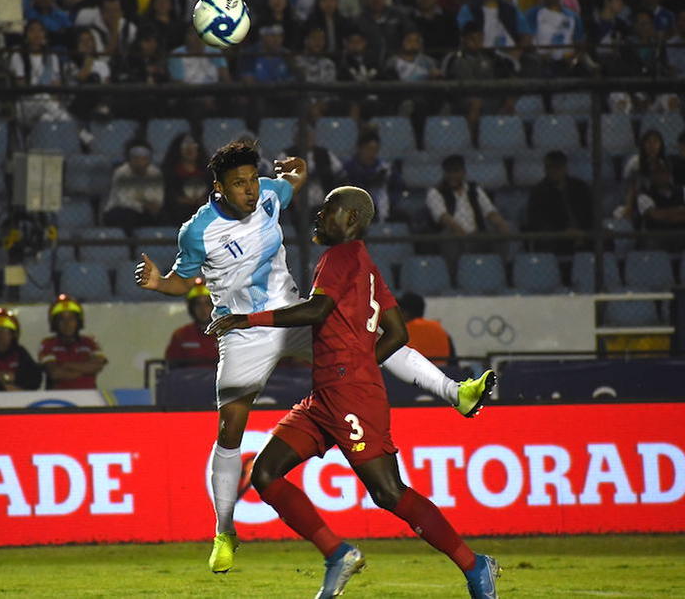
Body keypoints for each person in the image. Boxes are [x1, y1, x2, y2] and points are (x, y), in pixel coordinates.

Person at [133, 141, 495, 574]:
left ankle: (456, 392)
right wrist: (159, 282)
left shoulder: (270, 193)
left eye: (252, 180)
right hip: (242, 334)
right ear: (219, 188)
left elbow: (293, 180)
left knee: (362, 340)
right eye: (238, 184)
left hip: (290, 313)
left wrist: (298, 169)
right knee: (230, 431)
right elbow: (182, 279)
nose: (249, 190)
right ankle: (224, 530)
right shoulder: (197, 231)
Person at [204, 186, 499, 599]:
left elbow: (316, 310)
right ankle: (337, 553)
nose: (319, 215)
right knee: (265, 472)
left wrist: (247, 320)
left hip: (350, 396)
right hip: (326, 396)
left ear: (352, 219)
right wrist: (360, 360)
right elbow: (397, 332)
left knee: (389, 492)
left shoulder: (340, 257)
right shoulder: (366, 264)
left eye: (329, 210)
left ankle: (474, 564)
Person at [426, 154, 510, 271]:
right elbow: (443, 217)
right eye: (449, 172)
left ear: (463, 172)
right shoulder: (435, 192)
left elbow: (489, 211)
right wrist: (461, 232)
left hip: (477, 233)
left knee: (503, 230)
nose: (452, 175)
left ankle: (502, 269)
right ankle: (455, 275)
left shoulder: (474, 189)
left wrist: (501, 223)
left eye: (456, 171)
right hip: (454, 235)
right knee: (449, 237)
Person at [526, 150, 594, 254]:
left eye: (557, 167)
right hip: (557, 237)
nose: (554, 171)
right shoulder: (539, 192)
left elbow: (591, 213)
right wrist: (562, 232)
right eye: (550, 168)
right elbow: (537, 221)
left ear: (565, 168)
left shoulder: (580, 187)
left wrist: (582, 231)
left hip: (583, 233)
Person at [39, 294, 107, 390]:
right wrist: (85, 369)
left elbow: (97, 366)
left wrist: (65, 365)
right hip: (59, 396)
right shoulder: (48, 344)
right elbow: (55, 373)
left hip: (89, 396)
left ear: (78, 321)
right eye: (61, 319)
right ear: (54, 323)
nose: (67, 323)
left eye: (71, 318)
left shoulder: (90, 342)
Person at [102, 138, 165, 230]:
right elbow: (124, 201)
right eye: (136, 158)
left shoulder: (155, 174)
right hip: (121, 211)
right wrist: (144, 204)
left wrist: (151, 205)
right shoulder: (121, 173)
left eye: (143, 159)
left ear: (149, 160)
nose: (140, 162)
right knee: (127, 216)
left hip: (146, 212)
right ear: (129, 159)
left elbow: (158, 199)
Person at [164, 277, 219, 368]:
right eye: (198, 304)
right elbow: (171, 367)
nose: (203, 309)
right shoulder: (181, 335)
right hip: (188, 377)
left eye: (207, 304)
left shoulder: (224, 334)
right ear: (191, 308)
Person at [160, 132, 210, 226]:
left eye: (193, 147)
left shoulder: (208, 172)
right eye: (186, 148)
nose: (190, 151)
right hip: (177, 214)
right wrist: (181, 200)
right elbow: (168, 195)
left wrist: (204, 200)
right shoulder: (169, 172)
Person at [398, 291, 457, 366]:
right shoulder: (439, 329)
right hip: (442, 371)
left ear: (405, 313)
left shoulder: (403, 332)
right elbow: (453, 362)